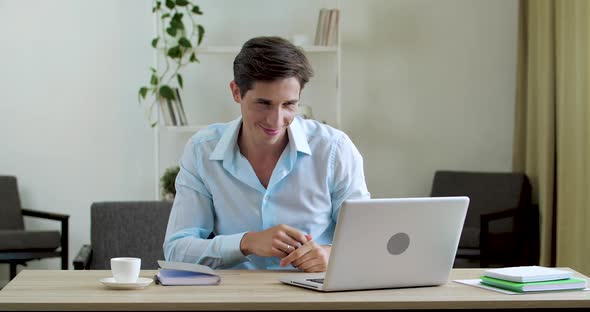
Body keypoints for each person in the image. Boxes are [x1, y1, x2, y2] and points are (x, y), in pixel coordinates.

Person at [164, 36, 370, 272]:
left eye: (289, 104)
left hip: (314, 300)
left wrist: (331, 254)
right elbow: (176, 252)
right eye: (263, 104)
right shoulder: (202, 150)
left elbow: (367, 240)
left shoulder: (334, 149)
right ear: (236, 92)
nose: (276, 120)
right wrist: (246, 242)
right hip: (235, 301)